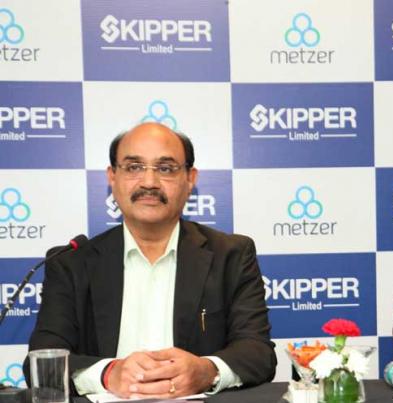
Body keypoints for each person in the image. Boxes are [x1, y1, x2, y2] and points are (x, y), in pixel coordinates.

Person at [25, 123, 276, 397]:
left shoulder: (231, 255)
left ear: (190, 178)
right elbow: (42, 361)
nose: (149, 182)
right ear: (112, 177)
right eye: (134, 167)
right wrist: (109, 374)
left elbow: (258, 353)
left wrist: (207, 371)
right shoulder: (71, 263)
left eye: (165, 169)